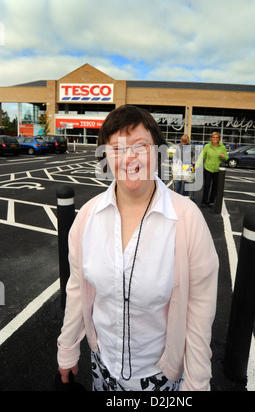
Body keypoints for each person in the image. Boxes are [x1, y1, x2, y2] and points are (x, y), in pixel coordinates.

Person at [57, 105, 219, 391]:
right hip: (102, 368)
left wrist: (197, 384)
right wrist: (68, 347)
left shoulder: (187, 219)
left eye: (139, 146)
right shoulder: (87, 217)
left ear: (157, 152)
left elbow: (199, 311)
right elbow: (77, 287)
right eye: (116, 148)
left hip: (160, 377)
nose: (128, 157)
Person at [197, 132, 228, 208]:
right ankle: (204, 202)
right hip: (208, 168)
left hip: (218, 170)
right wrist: (196, 165)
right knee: (207, 185)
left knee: (215, 186)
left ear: (219, 139)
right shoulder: (207, 146)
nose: (215, 139)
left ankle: (211, 201)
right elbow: (202, 157)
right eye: (213, 137)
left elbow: (227, 157)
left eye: (216, 137)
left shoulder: (222, 147)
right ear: (211, 138)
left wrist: (223, 157)